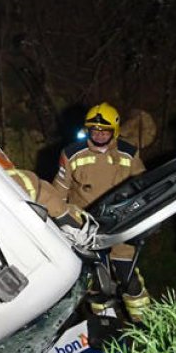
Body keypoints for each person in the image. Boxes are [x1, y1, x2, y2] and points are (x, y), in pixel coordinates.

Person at [50, 102, 149, 322]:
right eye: (94, 130)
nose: (99, 134)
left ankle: (145, 323)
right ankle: (105, 325)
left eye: (104, 130)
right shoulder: (71, 153)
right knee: (95, 284)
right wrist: (59, 223)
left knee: (128, 277)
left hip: (121, 226)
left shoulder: (129, 153)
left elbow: (143, 188)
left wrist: (144, 220)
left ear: (114, 130)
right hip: (87, 229)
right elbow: (59, 192)